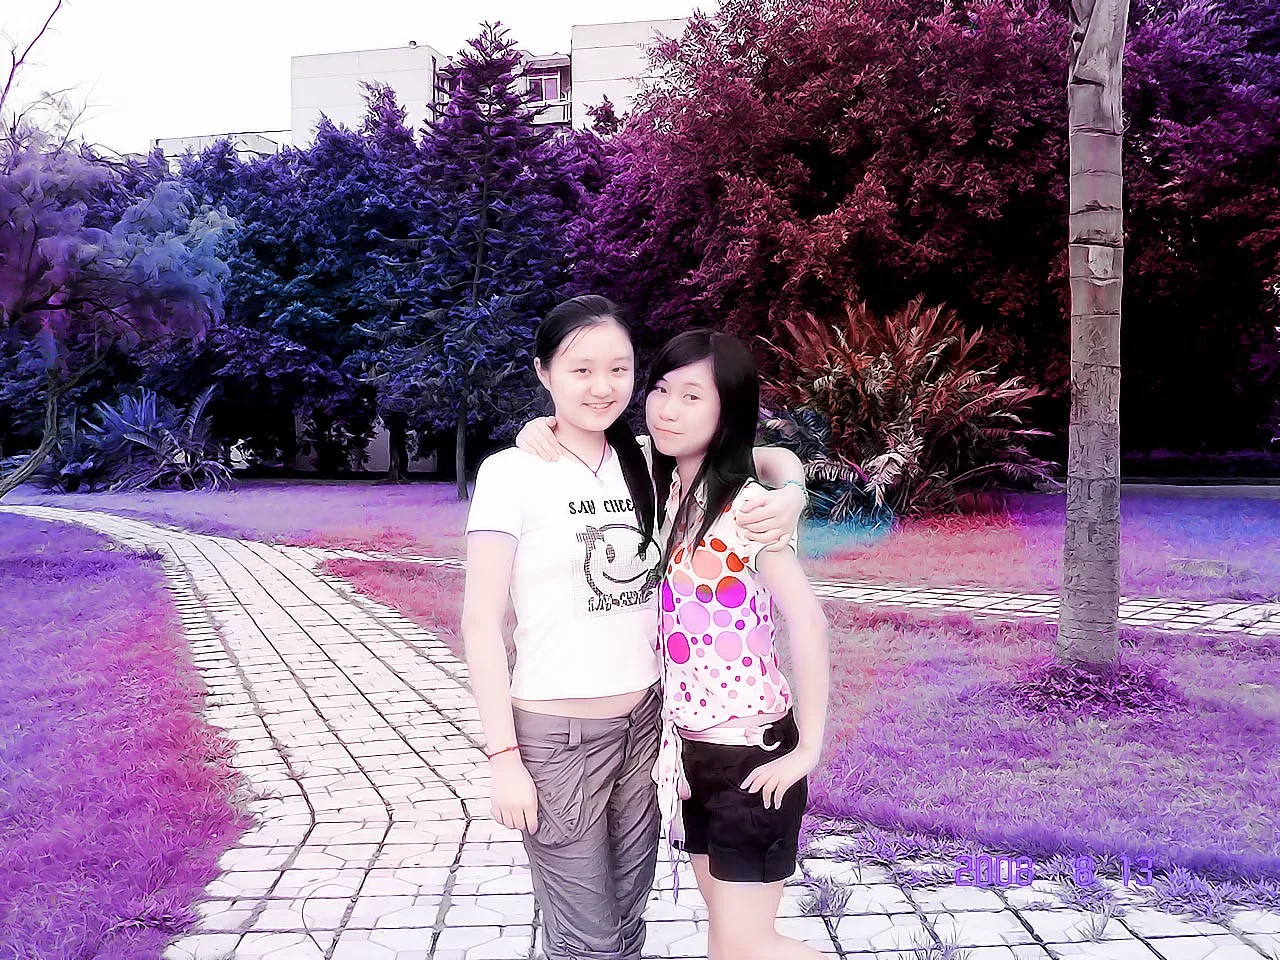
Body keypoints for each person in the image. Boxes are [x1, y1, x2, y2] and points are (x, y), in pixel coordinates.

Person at [461, 295, 807, 960]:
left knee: (626, 919)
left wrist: (792, 492)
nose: (602, 386)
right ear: (543, 372)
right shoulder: (511, 472)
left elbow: (755, 455)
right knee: (587, 939)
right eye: (580, 370)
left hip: (647, 727)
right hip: (557, 737)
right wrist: (503, 760)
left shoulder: (646, 458)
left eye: (618, 369)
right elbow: (479, 623)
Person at [646, 329, 831, 960]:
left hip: (752, 759)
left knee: (749, 944)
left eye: (692, 396)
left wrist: (808, 748)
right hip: (693, 757)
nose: (668, 409)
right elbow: (577, 428)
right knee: (727, 945)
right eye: (661, 389)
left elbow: (808, 621)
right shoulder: (671, 489)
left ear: (728, 411)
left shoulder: (746, 509)